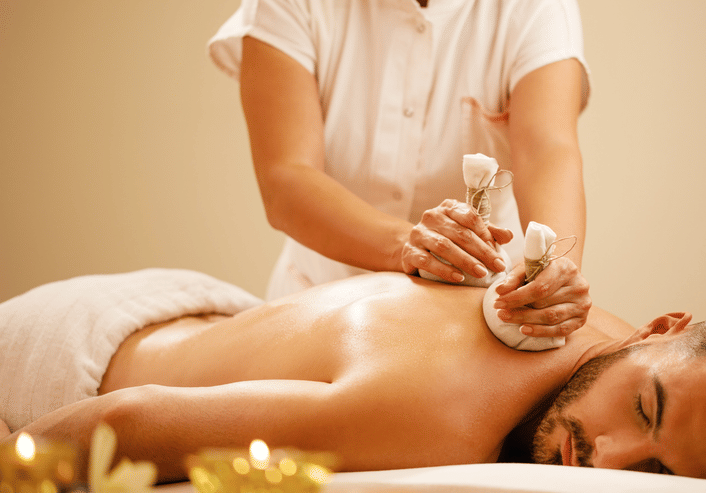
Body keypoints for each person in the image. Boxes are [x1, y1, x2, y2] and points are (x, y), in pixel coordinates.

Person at [0, 269, 706, 484]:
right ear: (665, 329)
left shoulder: (610, 341)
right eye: (644, 411)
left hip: (210, 312)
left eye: (659, 473)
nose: (610, 459)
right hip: (74, 353)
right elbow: (134, 421)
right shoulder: (437, 420)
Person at [206, 0, 593, 338]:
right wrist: (408, 245)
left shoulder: (537, 6)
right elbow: (286, 179)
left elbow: (547, 150)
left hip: (476, 321)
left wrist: (553, 271)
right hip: (316, 300)